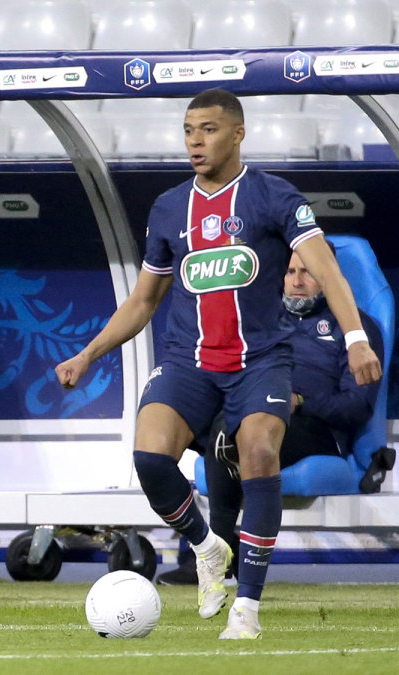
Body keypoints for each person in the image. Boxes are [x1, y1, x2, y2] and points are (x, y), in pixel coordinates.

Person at [55, 88, 381, 640]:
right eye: (187, 131)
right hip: (189, 360)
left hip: (259, 361)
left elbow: (327, 269)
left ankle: (246, 609)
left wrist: (355, 337)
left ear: (238, 133)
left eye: (207, 129)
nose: (194, 142)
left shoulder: (275, 197)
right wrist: (88, 354)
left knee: (257, 452)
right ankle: (208, 547)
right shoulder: (168, 208)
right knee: (150, 457)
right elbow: (142, 301)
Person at [157, 244, 383, 585]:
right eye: (290, 272)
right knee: (187, 419)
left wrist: (300, 401)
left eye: (307, 272)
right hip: (250, 413)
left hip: (314, 430)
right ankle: (216, 549)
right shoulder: (261, 320)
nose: (297, 280)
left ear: (328, 277)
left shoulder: (356, 331)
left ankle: (212, 553)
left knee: (232, 429)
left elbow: (357, 406)